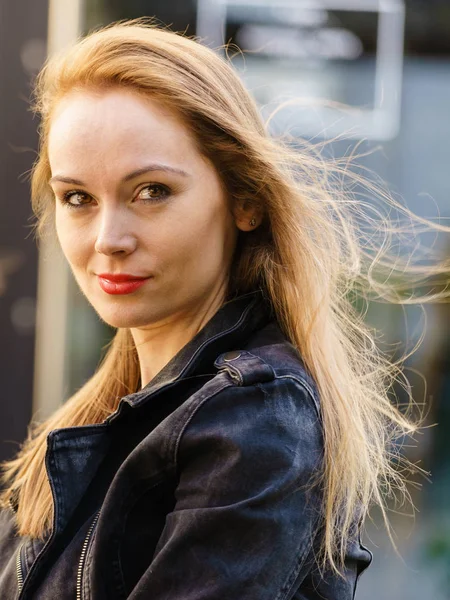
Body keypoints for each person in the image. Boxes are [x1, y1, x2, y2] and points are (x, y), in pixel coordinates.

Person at [0, 19, 446, 600]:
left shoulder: (257, 418)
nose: (108, 237)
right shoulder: (114, 412)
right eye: (78, 198)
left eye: (152, 191)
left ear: (245, 200)